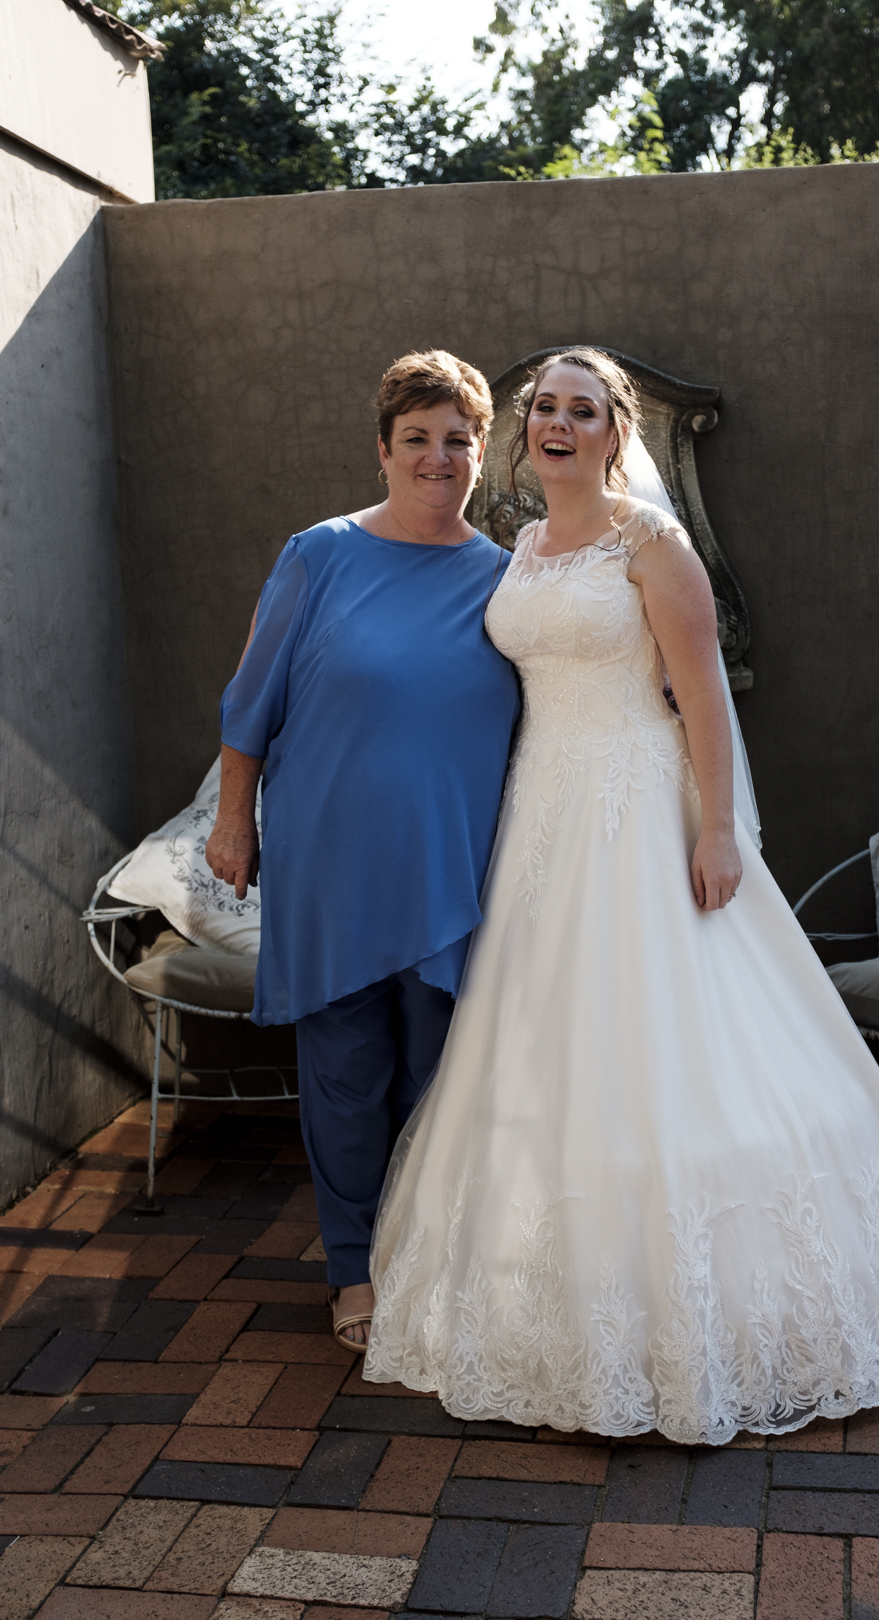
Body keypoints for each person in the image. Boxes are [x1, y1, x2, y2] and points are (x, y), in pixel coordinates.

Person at [365, 347, 879, 1443]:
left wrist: (718, 828)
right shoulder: (521, 547)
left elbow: (705, 694)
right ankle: (552, 1304)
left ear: (616, 433)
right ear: (527, 431)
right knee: (545, 1046)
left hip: (639, 809)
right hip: (541, 815)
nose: (560, 423)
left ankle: (715, 1319)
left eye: (584, 410)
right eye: (546, 408)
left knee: (667, 1034)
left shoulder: (651, 543)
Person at [205, 351, 520, 1354]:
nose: (438, 457)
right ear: (383, 449)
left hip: (453, 871)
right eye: (417, 438)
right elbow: (250, 703)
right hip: (332, 865)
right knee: (346, 1078)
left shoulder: (508, 582)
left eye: (457, 439)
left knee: (439, 1079)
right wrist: (234, 819)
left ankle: (426, 1263)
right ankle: (354, 1271)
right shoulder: (319, 555)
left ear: (481, 454)